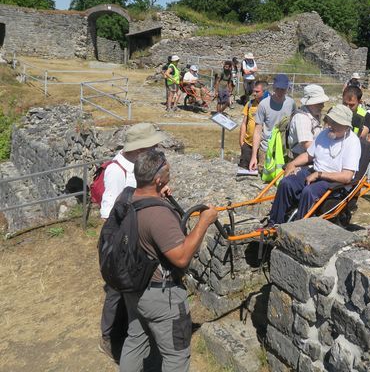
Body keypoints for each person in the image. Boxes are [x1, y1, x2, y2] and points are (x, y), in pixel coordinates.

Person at [118, 149, 220, 372]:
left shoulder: (127, 198)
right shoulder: (158, 215)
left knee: (136, 339)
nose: (170, 176)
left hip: (133, 286)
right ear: (157, 179)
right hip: (161, 296)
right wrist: (205, 221)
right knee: (176, 355)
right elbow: (181, 257)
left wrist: (157, 194)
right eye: (167, 173)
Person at [99, 123, 168, 363]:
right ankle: (108, 337)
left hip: (135, 241)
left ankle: (132, 333)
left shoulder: (136, 166)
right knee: (116, 291)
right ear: (140, 150)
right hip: (123, 243)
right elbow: (110, 214)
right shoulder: (117, 171)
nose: (157, 149)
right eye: (152, 146)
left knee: (131, 291)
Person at [266, 105, 361, 226]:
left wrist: (319, 174)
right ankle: (274, 223)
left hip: (334, 181)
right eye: (330, 122)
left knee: (309, 192)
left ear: (346, 126)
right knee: (286, 183)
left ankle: (298, 229)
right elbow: (309, 155)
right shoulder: (324, 134)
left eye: (335, 123)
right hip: (315, 172)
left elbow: (347, 176)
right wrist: (293, 163)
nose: (330, 126)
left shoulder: (352, 142)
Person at [249, 74, 296, 172]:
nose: (280, 92)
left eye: (283, 89)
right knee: (265, 176)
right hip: (266, 148)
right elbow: (257, 131)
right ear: (273, 87)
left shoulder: (291, 103)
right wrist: (254, 156)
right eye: (277, 88)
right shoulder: (264, 104)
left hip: (284, 150)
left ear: (287, 88)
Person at [288, 84, 328, 158]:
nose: (322, 106)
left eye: (322, 103)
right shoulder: (301, 118)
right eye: (319, 103)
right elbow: (308, 145)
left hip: (312, 156)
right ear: (310, 103)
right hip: (300, 160)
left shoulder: (314, 115)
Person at [238, 80, 267, 171]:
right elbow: (244, 123)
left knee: (259, 172)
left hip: (261, 146)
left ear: (264, 92)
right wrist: (242, 142)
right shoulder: (250, 104)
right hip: (248, 145)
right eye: (254, 91)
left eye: (257, 91)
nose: (254, 93)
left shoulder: (269, 105)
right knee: (243, 170)